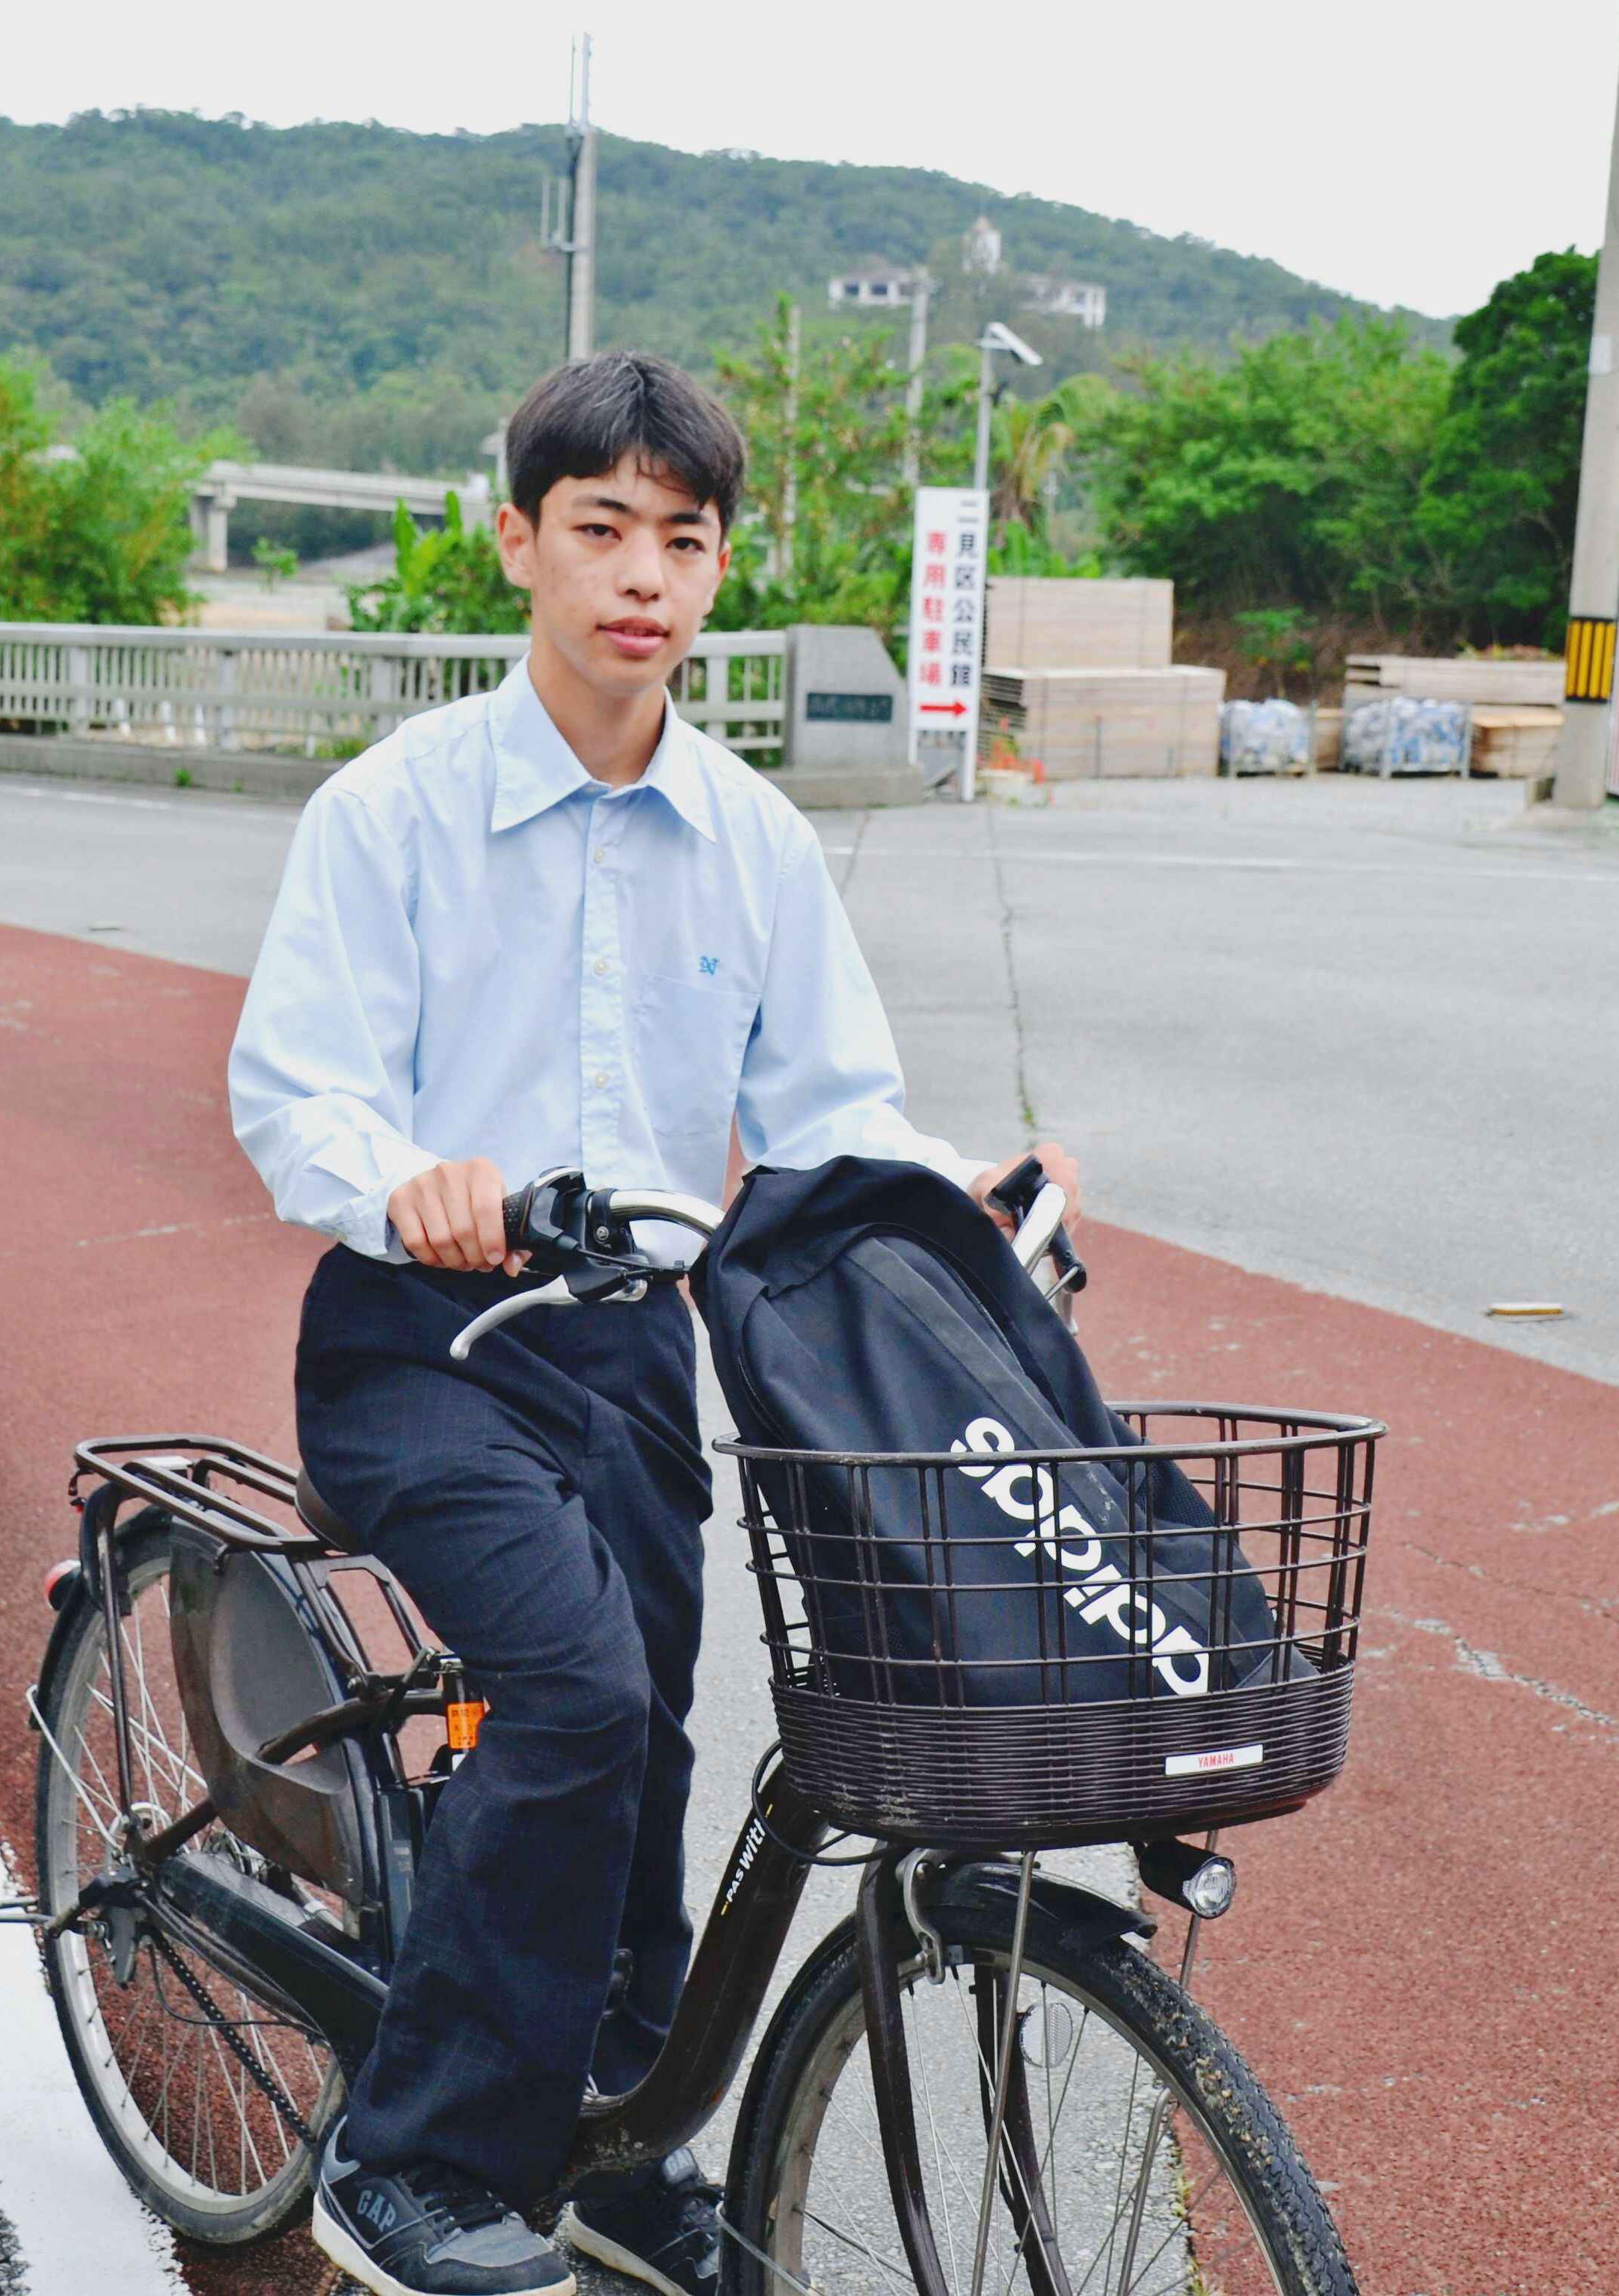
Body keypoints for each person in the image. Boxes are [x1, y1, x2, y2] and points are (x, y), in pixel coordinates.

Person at [228, 353, 1081, 2296]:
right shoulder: (399, 814)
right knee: (577, 1699)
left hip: (632, 1358)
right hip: (422, 1349)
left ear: (712, 573)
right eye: (599, 528)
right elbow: (299, 1090)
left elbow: (833, 1122)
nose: (641, 575)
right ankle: (413, 2162)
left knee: (654, 1752)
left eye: (679, 540)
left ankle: (606, 2142)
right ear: (514, 535)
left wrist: (974, 1205)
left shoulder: (754, 842)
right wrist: (402, 1180)